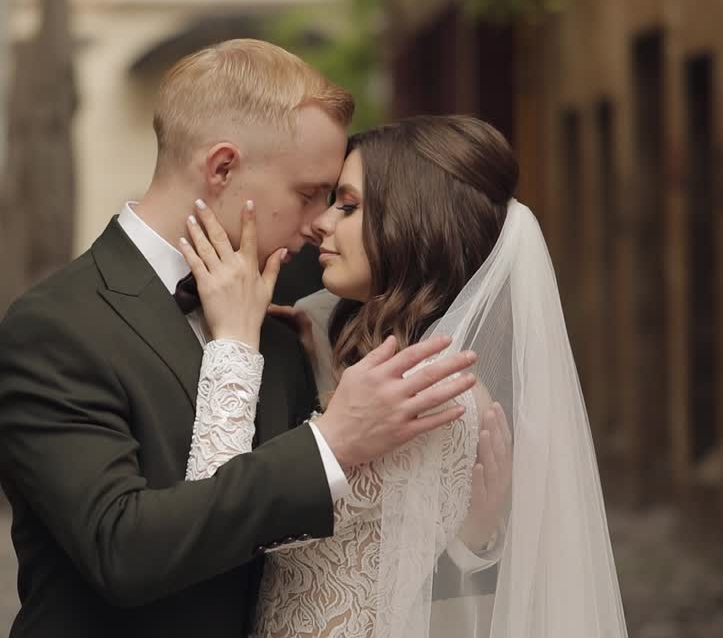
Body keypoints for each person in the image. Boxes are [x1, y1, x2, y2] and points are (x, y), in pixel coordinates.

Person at [0, 40, 480, 638]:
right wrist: (332, 443)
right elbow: (121, 550)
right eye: (307, 193)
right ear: (222, 168)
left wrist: (466, 525)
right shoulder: (57, 327)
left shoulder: (284, 330)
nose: (317, 221)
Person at [180, 115, 629, 637]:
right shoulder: (392, 363)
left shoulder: (428, 392)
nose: (322, 222)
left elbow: (220, 518)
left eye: (348, 206)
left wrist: (234, 343)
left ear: (412, 222)